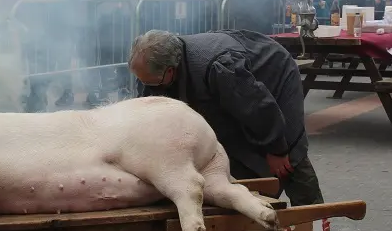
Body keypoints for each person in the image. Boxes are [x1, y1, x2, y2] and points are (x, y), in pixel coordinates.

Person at [127, 29, 323, 207]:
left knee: (289, 158)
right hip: (239, 97)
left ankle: (314, 222)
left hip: (273, 77)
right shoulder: (158, 71)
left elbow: (259, 108)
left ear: (170, 71)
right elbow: (147, 109)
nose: (147, 88)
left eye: (150, 83)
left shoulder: (218, 67)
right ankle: (250, 224)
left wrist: (277, 149)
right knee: (234, 157)